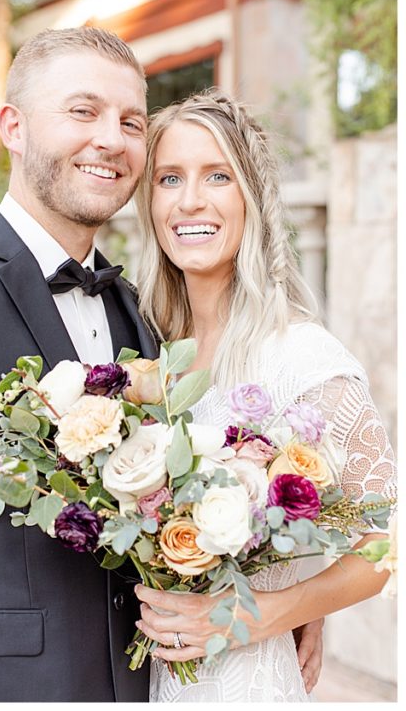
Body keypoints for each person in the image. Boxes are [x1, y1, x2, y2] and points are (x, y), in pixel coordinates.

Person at [0, 27, 158, 702]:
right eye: (83, 110)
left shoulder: (141, 312)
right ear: (13, 126)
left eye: (132, 121)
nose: (112, 139)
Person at [129, 91, 396, 701]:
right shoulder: (148, 357)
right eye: (170, 178)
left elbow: (388, 542)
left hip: (247, 682)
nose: (190, 199)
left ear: (251, 197)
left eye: (216, 176)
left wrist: (281, 608)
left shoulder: (301, 356)